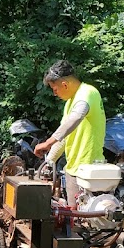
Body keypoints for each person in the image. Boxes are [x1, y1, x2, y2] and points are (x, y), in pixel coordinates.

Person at [33, 60, 107, 206]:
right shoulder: (70, 103)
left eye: (55, 89)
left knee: (88, 215)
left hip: (89, 169)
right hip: (73, 169)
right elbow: (64, 134)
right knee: (73, 215)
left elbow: (76, 117)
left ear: (64, 85)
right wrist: (49, 162)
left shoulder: (88, 93)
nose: (55, 93)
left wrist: (48, 142)